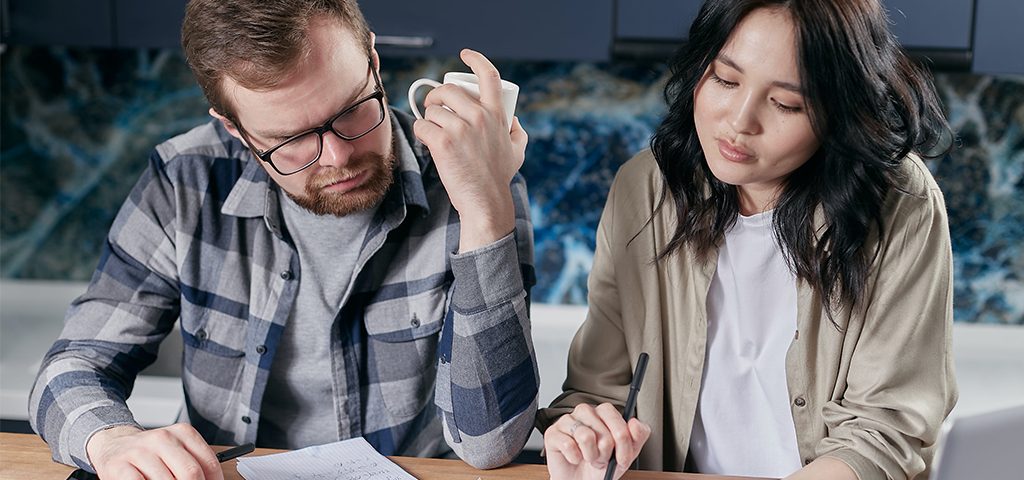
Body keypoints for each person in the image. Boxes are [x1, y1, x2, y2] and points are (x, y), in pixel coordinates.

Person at [29, 0, 539, 477]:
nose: (338, 158)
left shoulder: (475, 177)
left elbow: (489, 442)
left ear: (374, 64)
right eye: (291, 141)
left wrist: (485, 207)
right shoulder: (184, 181)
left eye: (351, 110)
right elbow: (75, 365)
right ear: (235, 130)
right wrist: (112, 440)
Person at [537, 0, 957, 479]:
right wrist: (586, 435)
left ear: (840, 110)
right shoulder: (645, 189)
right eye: (725, 79)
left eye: (785, 104)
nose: (739, 121)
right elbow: (600, 391)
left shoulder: (901, 202)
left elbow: (885, 431)